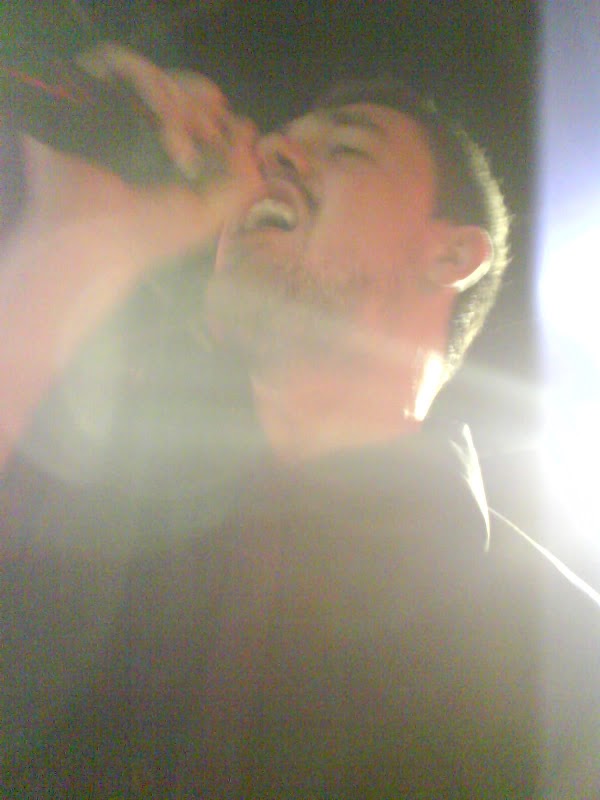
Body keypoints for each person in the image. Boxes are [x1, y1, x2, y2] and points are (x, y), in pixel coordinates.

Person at [1, 46, 599, 798]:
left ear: (450, 254)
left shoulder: (563, 665)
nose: (268, 155)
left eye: (346, 148)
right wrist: (79, 237)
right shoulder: (82, 496)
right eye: (272, 145)